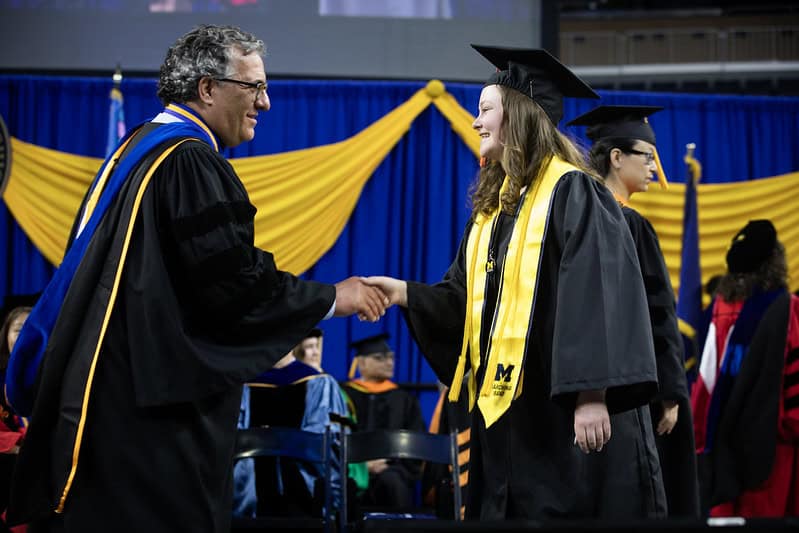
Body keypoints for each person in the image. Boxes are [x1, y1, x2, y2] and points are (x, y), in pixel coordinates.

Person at [4, 25, 388, 533]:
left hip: (110, 406)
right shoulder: (187, 160)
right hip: (150, 426)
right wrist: (333, 297)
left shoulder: (137, 150)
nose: (266, 103)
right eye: (254, 88)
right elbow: (232, 288)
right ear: (208, 88)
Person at [365, 45, 665, 520]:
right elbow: (466, 301)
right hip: (511, 422)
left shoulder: (575, 192)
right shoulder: (495, 212)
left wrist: (591, 394)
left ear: (520, 116)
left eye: (485, 110)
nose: (475, 121)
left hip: (566, 418)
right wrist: (405, 293)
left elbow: (597, 296)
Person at [566, 104, 700, 517]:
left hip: (591, 396)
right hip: (628, 395)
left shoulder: (578, 220)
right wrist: (671, 393)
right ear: (617, 157)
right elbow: (658, 313)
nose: (653, 166)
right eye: (646, 154)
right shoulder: (628, 225)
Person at [691, 219, 796, 517]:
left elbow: (705, 385)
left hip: (723, 443)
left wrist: (702, 440)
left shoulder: (718, 308)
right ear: (775, 260)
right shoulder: (787, 309)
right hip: (773, 449)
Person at [245, 345, 350, 518]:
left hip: (303, 481)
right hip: (251, 485)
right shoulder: (243, 382)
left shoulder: (320, 382)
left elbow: (328, 443)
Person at [342, 333, 426, 511]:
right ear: (361, 363)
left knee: (393, 482)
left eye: (391, 358)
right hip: (351, 468)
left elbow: (416, 441)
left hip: (392, 469)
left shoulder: (403, 399)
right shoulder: (345, 395)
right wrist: (361, 466)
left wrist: (389, 463)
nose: (389, 363)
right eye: (380, 358)